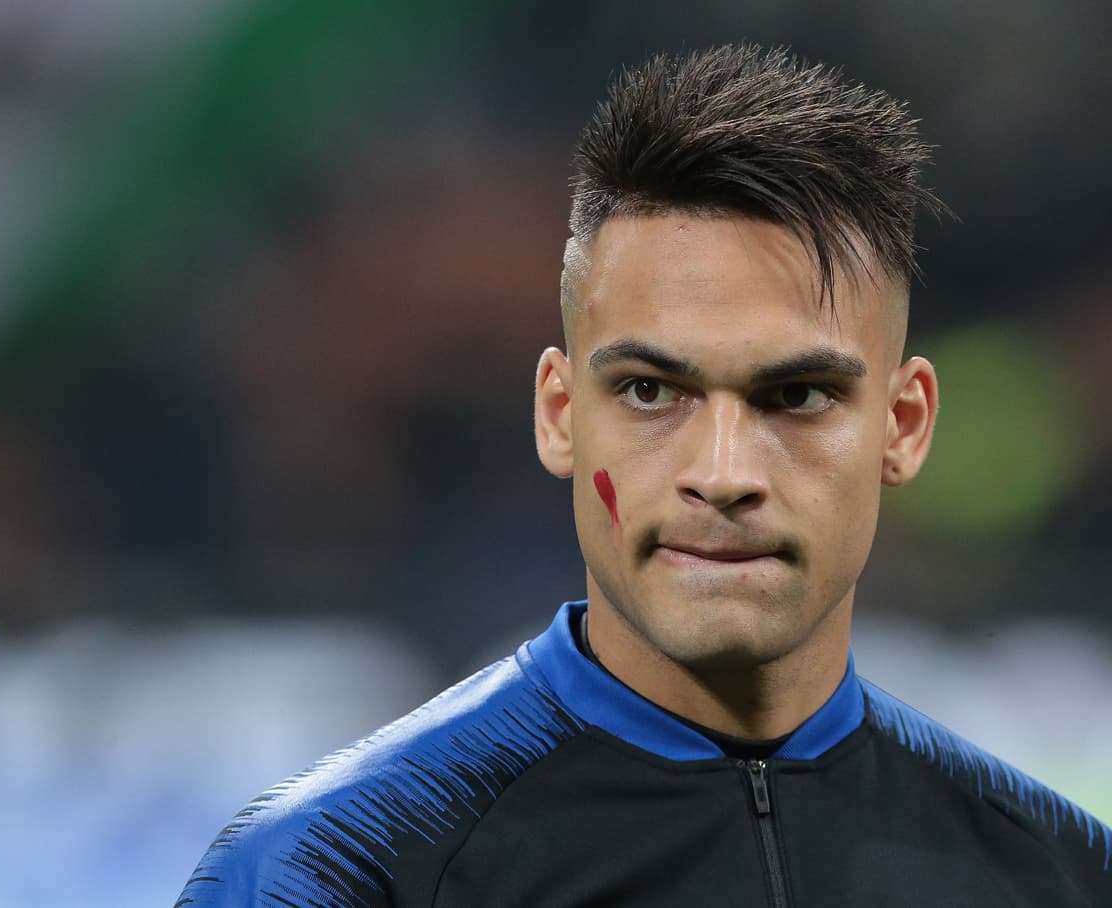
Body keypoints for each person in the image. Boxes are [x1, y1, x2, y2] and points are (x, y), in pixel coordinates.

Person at [177, 44, 1111, 907]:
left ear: (903, 428)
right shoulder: (333, 872)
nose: (723, 474)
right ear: (559, 414)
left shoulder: (1060, 875)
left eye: (797, 396)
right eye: (651, 390)